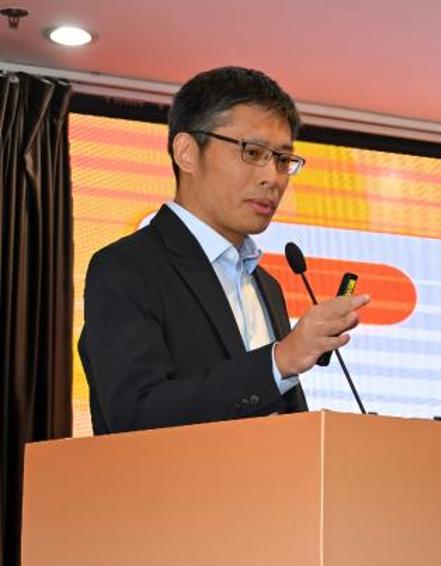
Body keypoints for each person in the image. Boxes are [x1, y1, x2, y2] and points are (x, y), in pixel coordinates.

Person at [78, 66, 369, 434]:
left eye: (282, 160)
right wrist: (278, 361)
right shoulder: (126, 267)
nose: (272, 177)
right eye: (253, 152)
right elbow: (134, 414)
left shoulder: (266, 285)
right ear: (187, 153)